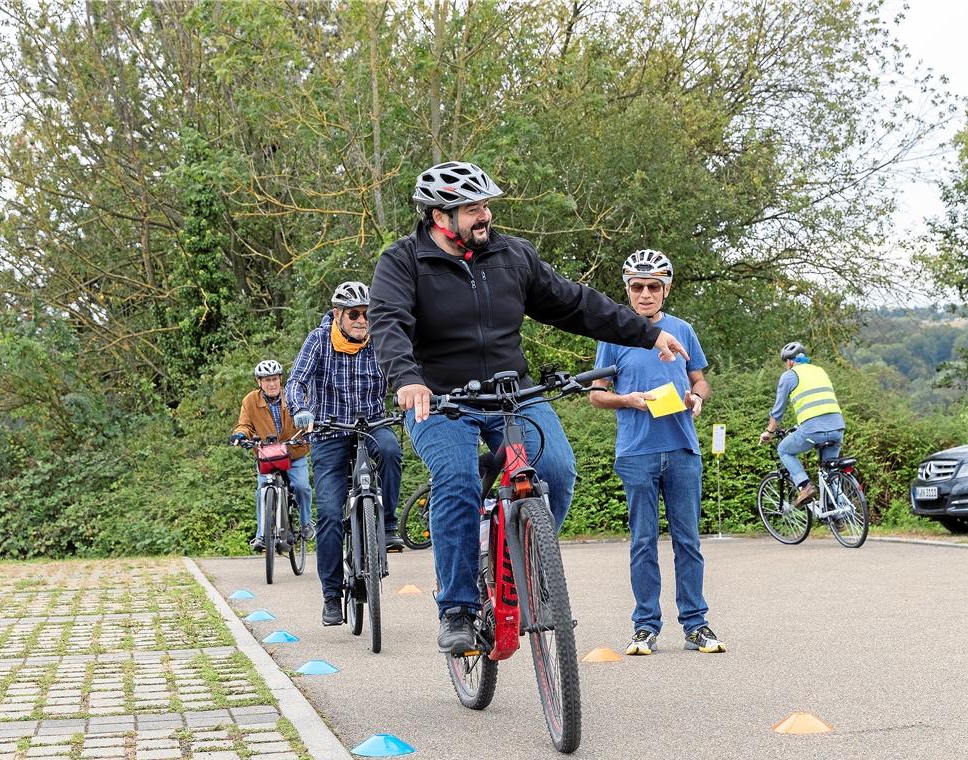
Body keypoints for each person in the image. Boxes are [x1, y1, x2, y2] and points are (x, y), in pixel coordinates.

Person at [368, 160, 690, 654]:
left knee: (558, 470)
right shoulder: (403, 262)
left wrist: (648, 335)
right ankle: (457, 606)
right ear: (439, 216)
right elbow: (388, 322)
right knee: (456, 479)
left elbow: (576, 304)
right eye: (472, 208)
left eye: (485, 206)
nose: (484, 215)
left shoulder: (512, 256)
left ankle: (529, 568)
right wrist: (407, 378)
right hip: (440, 398)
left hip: (511, 392)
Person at [588, 250, 725, 656]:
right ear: (628, 290)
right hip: (636, 452)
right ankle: (645, 626)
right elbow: (596, 396)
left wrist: (697, 399)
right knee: (643, 541)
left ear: (666, 290)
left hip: (682, 448)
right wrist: (627, 400)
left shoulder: (683, 329)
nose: (645, 294)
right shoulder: (613, 335)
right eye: (637, 287)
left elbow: (699, 381)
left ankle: (696, 625)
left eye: (653, 287)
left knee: (688, 540)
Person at [286, 281, 404, 627]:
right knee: (327, 512)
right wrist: (300, 409)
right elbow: (297, 382)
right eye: (354, 313)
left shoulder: (380, 340)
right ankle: (331, 595)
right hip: (328, 431)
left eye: (367, 313)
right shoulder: (319, 340)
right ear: (337, 314)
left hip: (372, 425)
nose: (361, 320)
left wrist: (405, 393)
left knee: (391, 450)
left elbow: (401, 372)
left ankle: (386, 524)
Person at [231, 360, 313, 552]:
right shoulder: (250, 401)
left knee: (301, 487)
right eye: (267, 380)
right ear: (259, 382)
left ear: (280, 379)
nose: (272, 384)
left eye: (275, 379)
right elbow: (244, 425)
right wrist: (241, 435)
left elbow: (309, 417)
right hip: (267, 455)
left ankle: (306, 523)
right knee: (262, 490)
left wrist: (309, 431)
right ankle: (261, 535)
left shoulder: (293, 396)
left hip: (294, 452)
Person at [758, 342, 846, 505]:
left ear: (790, 361)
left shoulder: (789, 375)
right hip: (837, 428)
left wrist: (769, 432)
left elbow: (778, 409)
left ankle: (805, 487)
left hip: (813, 430)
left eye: (785, 363)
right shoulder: (820, 371)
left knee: (783, 449)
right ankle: (838, 514)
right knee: (829, 470)